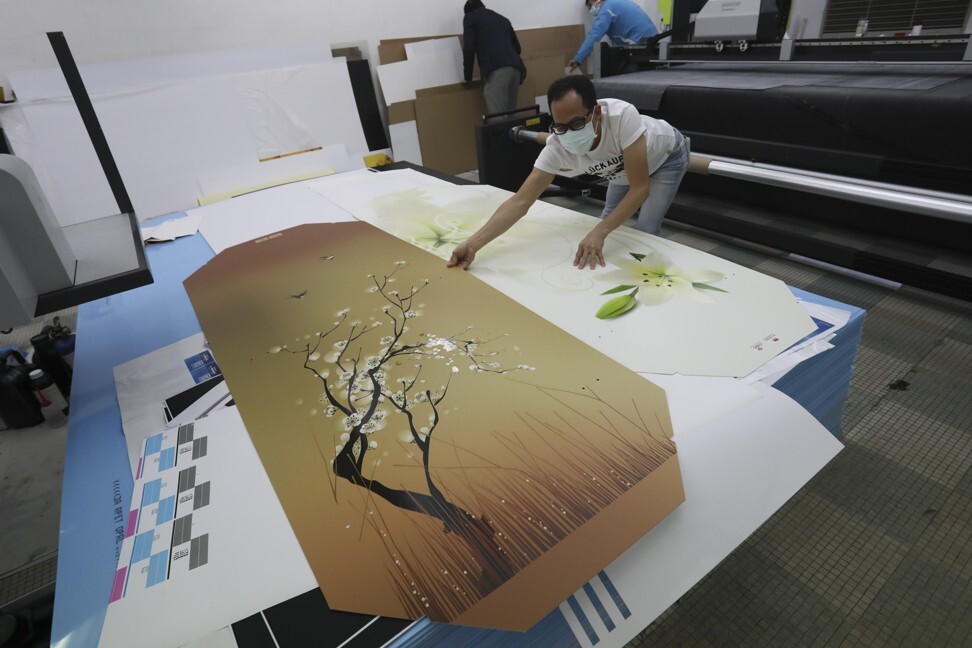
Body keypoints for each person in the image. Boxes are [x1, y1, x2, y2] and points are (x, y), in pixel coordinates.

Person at [447, 74, 689, 270]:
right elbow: (519, 202)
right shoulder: (557, 146)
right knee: (606, 221)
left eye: (576, 124)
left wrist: (599, 232)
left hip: (665, 157)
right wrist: (472, 244)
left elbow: (639, 189)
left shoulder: (622, 116)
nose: (569, 134)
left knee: (644, 229)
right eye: (560, 126)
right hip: (621, 168)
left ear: (596, 113)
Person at [462, 0, 527, 119]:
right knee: (511, 118)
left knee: (498, 119)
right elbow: (517, 48)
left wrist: (468, 77)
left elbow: (469, 49)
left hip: (497, 70)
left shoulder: (470, 17)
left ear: (467, 12)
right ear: (483, 6)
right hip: (516, 70)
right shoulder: (503, 19)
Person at [568, 0, 658, 72]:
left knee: (634, 74)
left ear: (598, 1)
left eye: (591, 5)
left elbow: (595, 34)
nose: (591, 9)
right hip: (651, 39)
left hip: (640, 43)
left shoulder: (606, 9)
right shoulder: (616, 3)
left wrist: (578, 59)